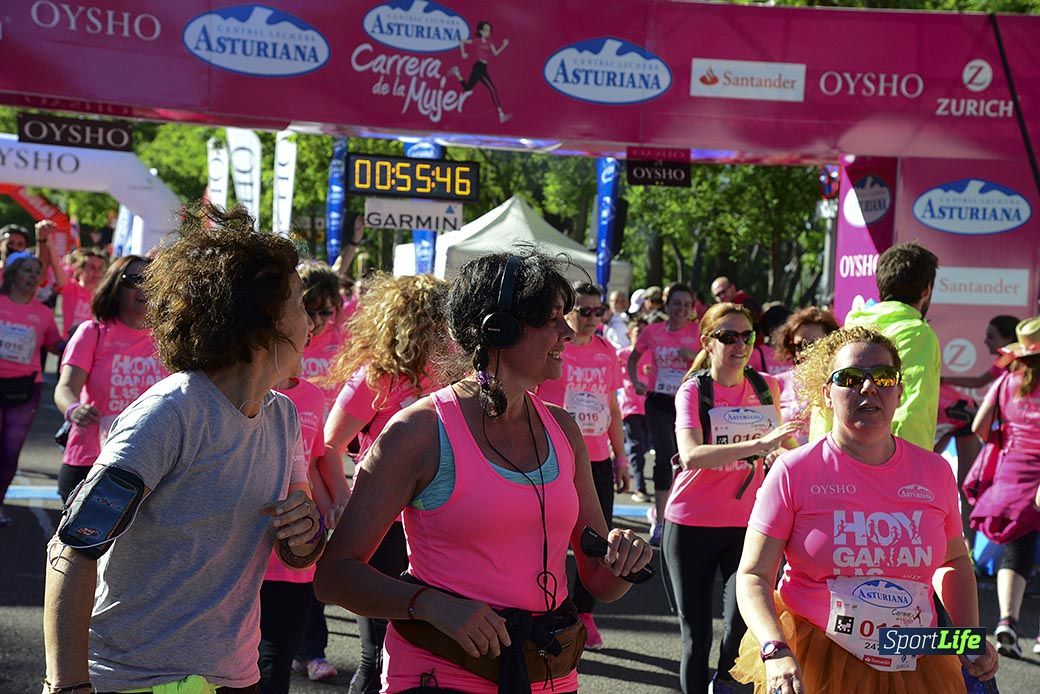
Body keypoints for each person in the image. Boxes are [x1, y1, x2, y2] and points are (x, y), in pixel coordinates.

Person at [314, 251, 653, 693]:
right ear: (500, 329)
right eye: (552, 319)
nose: (568, 332)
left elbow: (600, 583)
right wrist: (428, 604)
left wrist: (626, 562)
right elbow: (334, 575)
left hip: (548, 674)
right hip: (440, 674)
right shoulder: (418, 431)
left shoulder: (563, 430)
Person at [43, 203, 324, 694]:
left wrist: (304, 537)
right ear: (266, 319)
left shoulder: (281, 416)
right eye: (301, 304)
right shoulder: (170, 413)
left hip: (235, 677)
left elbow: (298, 550)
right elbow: (72, 546)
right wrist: (66, 686)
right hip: (137, 680)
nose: (312, 325)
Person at [732, 325, 998, 693]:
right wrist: (774, 649)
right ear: (827, 394)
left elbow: (953, 560)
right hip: (817, 659)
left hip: (916, 657)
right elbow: (753, 576)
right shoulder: (794, 471)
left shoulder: (934, 470)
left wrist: (968, 635)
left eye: (884, 377)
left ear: (900, 391)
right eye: (851, 378)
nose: (869, 387)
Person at [321, 273, 448, 693]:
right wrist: (343, 498)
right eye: (438, 319)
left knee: (423, 648)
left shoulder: (454, 375)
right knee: (375, 654)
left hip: (436, 525)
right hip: (382, 526)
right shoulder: (376, 376)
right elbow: (328, 444)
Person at [666, 303, 798, 694]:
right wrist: (758, 444)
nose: (740, 344)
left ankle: (722, 685)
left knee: (740, 630)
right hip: (690, 524)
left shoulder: (764, 386)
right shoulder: (694, 390)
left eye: (747, 335)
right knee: (696, 639)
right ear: (707, 342)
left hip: (748, 525)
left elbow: (786, 446)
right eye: (728, 336)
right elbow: (690, 454)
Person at [535, 281, 630, 649]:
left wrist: (621, 457)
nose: (592, 318)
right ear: (568, 314)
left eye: (598, 311)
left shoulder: (608, 352)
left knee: (596, 542)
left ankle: (583, 613)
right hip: (554, 456)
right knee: (552, 536)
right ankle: (545, 605)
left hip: (598, 459)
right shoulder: (553, 349)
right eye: (584, 311)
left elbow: (613, 408)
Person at [52, 255, 166, 503]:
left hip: (147, 465)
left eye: (152, 279)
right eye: (135, 279)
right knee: (80, 542)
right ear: (116, 285)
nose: (144, 286)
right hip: (90, 458)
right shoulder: (93, 333)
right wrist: (74, 409)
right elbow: (65, 388)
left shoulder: (169, 343)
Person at [969, 316, 1040, 659]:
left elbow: (979, 427)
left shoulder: (1006, 382)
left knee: (1017, 550)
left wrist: (1004, 443)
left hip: (1013, 474)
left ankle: (1007, 622)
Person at [259, 368, 332, 694]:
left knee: (276, 662)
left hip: (291, 554)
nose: (313, 325)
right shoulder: (230, 396)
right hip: (241, 554)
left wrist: (329, 511)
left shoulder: (308, 399)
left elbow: (311, 466)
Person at [835, 241, 941, 450]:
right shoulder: (918, 334)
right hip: (889, 465)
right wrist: (915, 467)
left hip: (839, 456)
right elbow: (913, 409)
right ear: (927, 289)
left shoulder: (850, 327)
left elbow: (825, 404)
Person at [627, 282, 699, 546]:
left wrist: (691, 355)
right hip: (658, 400)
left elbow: (711, 362)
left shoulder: (698, 333)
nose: (681, 309)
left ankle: (678, 513)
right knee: (665, 456)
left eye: (686, 305)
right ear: (667, 305)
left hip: (688, 403)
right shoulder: (653, 331)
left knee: (686, 458)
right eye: (676, 303)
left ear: (692, 309)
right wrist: (636, 382)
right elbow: (633, 358)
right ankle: (659, 520)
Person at [0, 252, 64, 526]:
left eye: (37, 272)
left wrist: (84, 336)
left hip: (25, 390)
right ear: (13, 273)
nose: (32, 276)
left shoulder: (43, 313)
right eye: (27, 270)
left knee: (10, 451)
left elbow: (55, 345)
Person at [772, 307, 840, 445]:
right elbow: (767, 433)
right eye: (799, 346)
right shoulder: (777, 383)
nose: (805, 352)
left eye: (814, 344)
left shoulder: (841, 383)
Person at [298, 261, 348, 412]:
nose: (316, 321)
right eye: (310, 312)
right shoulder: (284, 342)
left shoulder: (343, 337)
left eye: (325, 312)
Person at [449, 21, 511, 123]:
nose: (488, 32)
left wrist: (504, 45)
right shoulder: (476, 40)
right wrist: (463, 53)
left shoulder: (489, 42)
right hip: (479, 67)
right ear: (481, 31)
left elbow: (496, 53)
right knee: (493, 90)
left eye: (489, 30)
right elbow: (462, 41)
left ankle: (457, 72)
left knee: (467, 88)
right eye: (486, 30)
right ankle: (501, 114)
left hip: (483, 67)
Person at [618, 318, 651, 503]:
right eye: (638, 332)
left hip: (649, 408)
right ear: (629, 334)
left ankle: (623, 454)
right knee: (637, 447)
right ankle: (639, 487)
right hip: (630, 407)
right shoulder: (621, 355)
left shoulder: (651, 355)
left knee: (644, 446)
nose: (641, 336)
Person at [943, 314, 1020, 390]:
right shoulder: (1004, 359)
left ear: (1008, 339)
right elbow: (979, 382)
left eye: (991, 337)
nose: (985, 341)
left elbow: (979, 382)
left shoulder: (1023, 363)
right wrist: (942, 380)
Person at [55, 248, 109, 339]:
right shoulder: (70, 288)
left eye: (100, 268)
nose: (97, 272)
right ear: (80, 269)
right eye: (92, 267)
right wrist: (46, 240)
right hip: (71, 344)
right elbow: (55, 265)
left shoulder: (104, 295)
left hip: (94, 347)